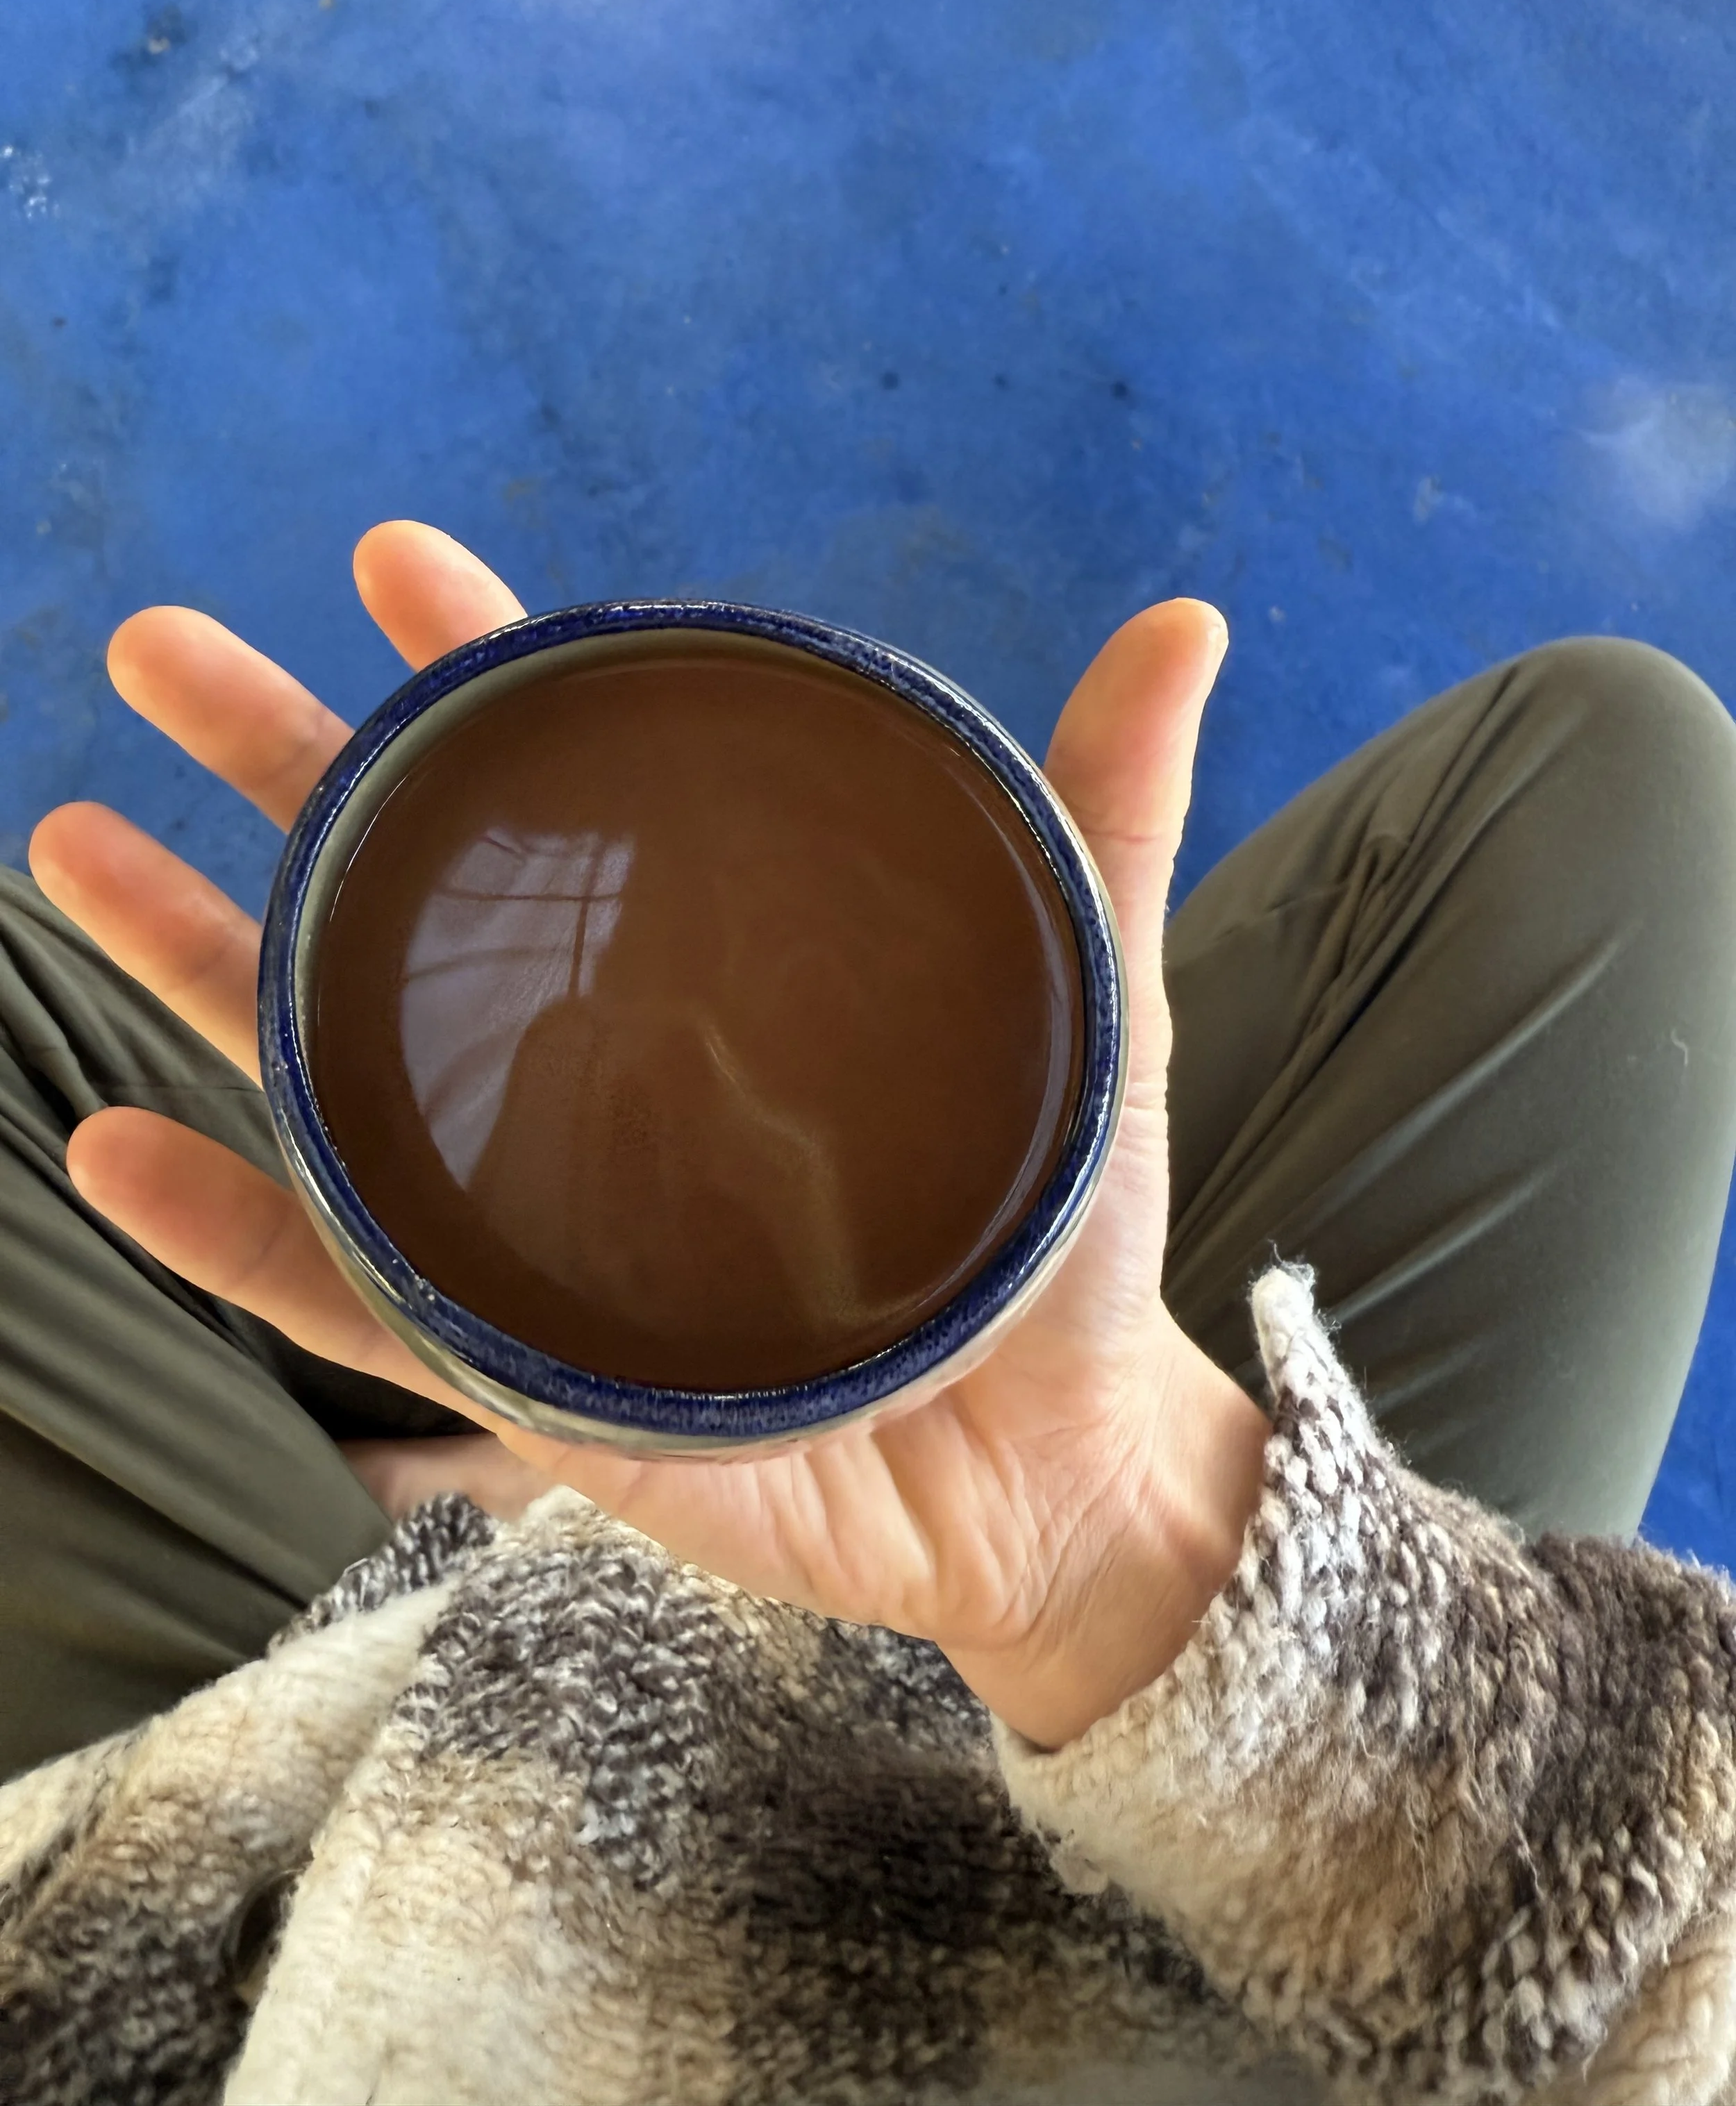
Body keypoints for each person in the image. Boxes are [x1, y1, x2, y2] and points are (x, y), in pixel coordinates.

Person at [1, 519, 1734, 2103]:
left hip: (349, 1923)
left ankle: (499, 1515)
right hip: (1279, 1947)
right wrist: (1121, 1554)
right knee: (1615, 781)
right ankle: (558, 1488)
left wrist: (552, 1591)